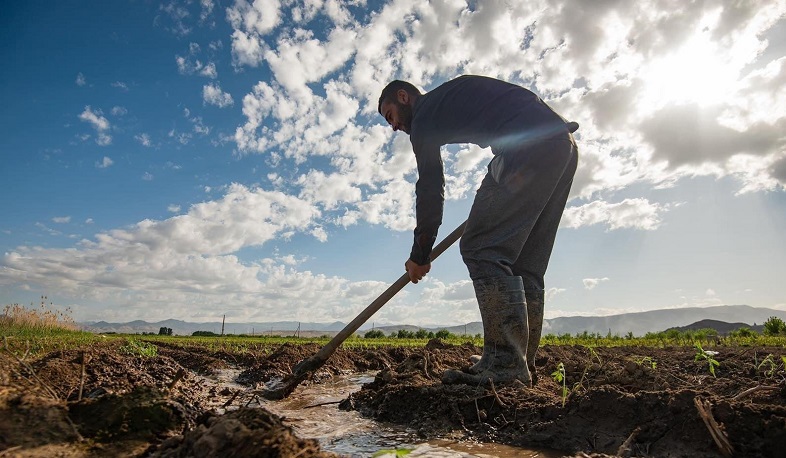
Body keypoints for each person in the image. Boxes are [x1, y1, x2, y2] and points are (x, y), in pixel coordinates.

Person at [378, 75, 579, 386]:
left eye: (389, 116)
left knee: (481, 248)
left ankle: (505, 362)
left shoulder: (424, 117)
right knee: (525, 265)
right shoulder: (445, 101)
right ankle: (520, 360)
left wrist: (420, 254)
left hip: (527, 152)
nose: (393, 127)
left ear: (404, 98)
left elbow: (430, 188)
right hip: (561, 147)